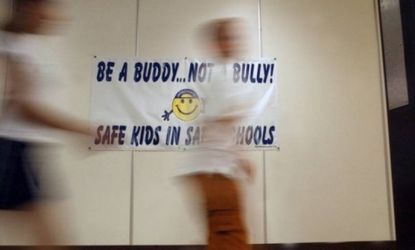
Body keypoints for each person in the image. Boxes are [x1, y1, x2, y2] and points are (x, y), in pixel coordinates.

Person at [0, 0, 90, 247]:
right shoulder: (12, 44)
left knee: (50, 238)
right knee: (53, 238)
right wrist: (82, 129)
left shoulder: (35, 46)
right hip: (15, 149)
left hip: (29, 150)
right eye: (48, 7)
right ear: (30, 9)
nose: (56, 14)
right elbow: (25, 106)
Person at [181, 18, 255, 250]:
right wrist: (239, 156)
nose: (234, 43)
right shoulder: (221, 75)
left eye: (235, 37)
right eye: (227, 38)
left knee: (220, 235)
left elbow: (217, 122)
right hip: (215, 169)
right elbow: (220, 120)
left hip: (212, 168)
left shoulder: (219, 74)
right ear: (216, 43)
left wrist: (239, 157)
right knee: (232, 236)